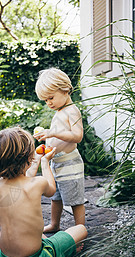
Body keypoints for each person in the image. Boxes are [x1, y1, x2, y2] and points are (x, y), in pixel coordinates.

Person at [0, 127, 87, 257]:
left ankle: (56, 247)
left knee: (36, 233)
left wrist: (34, 160)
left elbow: (23, 177)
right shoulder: (38, 183)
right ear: (27, 158)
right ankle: (63, 253)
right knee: (81, 229)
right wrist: (45, 163)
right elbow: (51, 190)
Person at [34, 67, 86, 233]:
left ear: (64, 90)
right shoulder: (60, 110)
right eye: (45, 100)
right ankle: (55, 224)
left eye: (50, 98)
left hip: (70, 163)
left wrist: (53, 132)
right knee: (56, 197)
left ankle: (80, 230)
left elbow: (77, 136)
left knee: (75, 200)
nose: (48, 103)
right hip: (57, 162)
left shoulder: (72, 110)